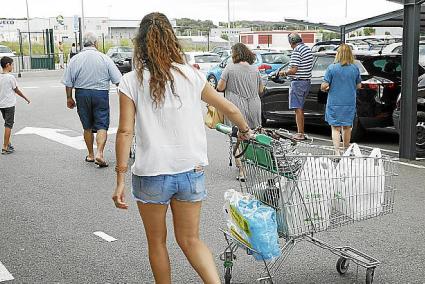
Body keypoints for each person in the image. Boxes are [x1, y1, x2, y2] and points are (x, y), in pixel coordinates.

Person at [113, 12, 251, 284]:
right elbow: (230, 108)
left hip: (151, 173)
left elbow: (125, 131)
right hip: (191, 169)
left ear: (140, 43)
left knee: (157, 243)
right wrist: (245, 131)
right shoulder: (191, 75)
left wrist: (119, 177)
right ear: (171, 40)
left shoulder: (131, 81)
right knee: (190, 239)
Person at [62, 32, 122, 167]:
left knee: (87, 126)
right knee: (102, 124)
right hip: (100, 94)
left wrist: (69, 98)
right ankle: (100, 153)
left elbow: (68, 82)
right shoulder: (104, 58)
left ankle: (90, 154)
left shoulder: (75, 59)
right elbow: (118, 80)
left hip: (82, 93)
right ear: (96, 43)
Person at [217, 42, 264, 181]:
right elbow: (261, 90)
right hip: (254, 104)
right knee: (252, 134)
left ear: (235, 54)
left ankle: (242, 170)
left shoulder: (230, 68)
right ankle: (254, 162)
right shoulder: (255, 69)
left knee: (235, 135)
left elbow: (220, 87)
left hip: (236, 105)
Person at [320, 44, 362, 155]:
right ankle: (346, 150)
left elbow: (324, 85)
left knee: (335, 128)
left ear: (338, 54)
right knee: (347, 127)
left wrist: (326, 88)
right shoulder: (355, 68)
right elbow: (359, 86)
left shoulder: (332, 68)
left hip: (334, 102)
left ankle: (337, 152)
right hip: (349, 102)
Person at [279, 33, 313, 141]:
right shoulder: (307, 49)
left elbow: (294, 70)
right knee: (301, 108)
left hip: (298, 82)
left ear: (291, 42)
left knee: (297, 108)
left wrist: (283, 73)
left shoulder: (297, 50)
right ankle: (301, 131)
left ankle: (300, 133)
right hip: (306, 81)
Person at [0, 56, 31, 154]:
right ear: (7, 65)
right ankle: (5, 147)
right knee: (8, 125)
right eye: (12, 65)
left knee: (6, 123)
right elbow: (16, 90)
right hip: (9, 104)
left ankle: (8, 143)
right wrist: (25, 98)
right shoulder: (10, 77)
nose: (12, 66)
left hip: (1, 105)